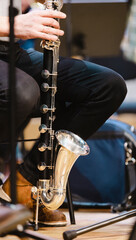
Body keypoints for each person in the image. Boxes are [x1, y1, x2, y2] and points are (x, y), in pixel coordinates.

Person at [0, 0, 127, 227]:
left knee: (107, 86)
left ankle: (23, 182)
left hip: (10, 51)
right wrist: (10, 25)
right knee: (22, 92)